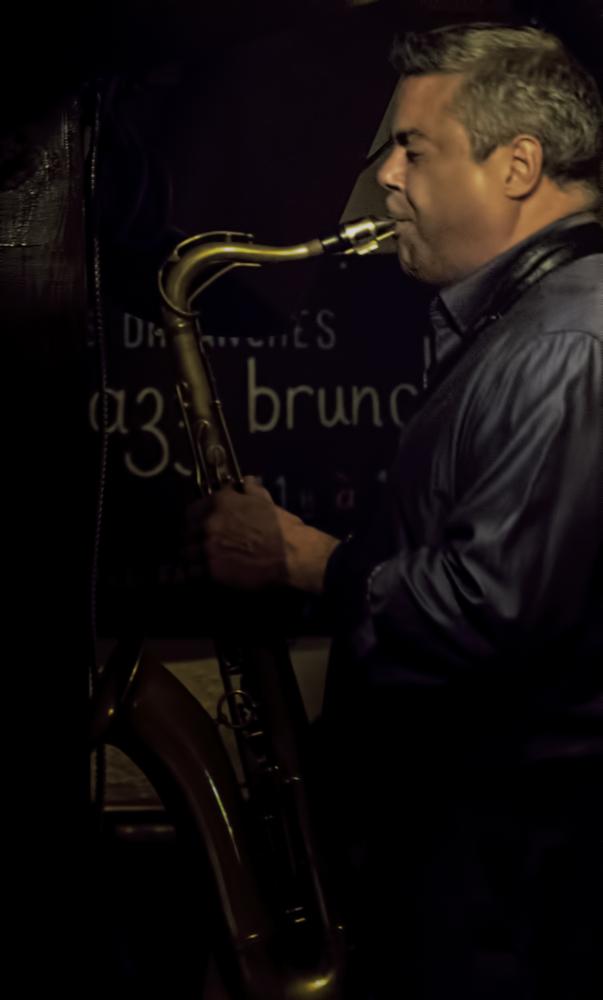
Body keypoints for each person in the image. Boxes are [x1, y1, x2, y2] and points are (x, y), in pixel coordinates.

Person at [186, 23, 603, 1000]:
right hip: (481, 862)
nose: (382, 180)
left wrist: (306, 561)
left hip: (516, 879)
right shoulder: (524, 329)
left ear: (519, 165)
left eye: (413, 148)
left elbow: (491, 611)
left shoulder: (569, 342)